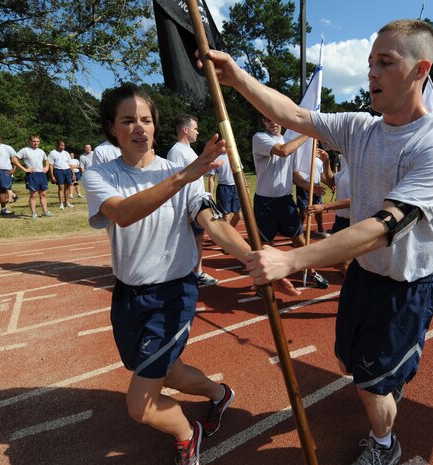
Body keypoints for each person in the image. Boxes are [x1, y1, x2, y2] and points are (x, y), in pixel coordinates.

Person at [204, 19, 433, 465]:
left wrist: (291, 260)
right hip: (364, 278)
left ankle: (385, 444)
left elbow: (385, 226)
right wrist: (236, 77)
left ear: (420, 69)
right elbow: (294, 115)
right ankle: (387, 377)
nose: (372, 73)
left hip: (406, 287)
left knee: (371, 383)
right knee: (348, 362)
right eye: (370, 63)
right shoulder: (360, 127)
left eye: (385, 62)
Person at [82, 85, 298, 465]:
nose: (140, 128)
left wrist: (253, 259)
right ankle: (219, 394)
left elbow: (213, 225)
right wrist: (184, 176)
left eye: (146, 119)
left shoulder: (181, 174)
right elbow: (125, 213)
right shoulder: (100, 174)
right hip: (129, 296)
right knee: (169, 373)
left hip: (172, 297)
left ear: (156, 125)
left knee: (140, 406)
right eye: (128, 120)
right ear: (111, 128)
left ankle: (187, 433)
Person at [251, 115, 330, 288]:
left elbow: (294, 174)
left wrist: (306, 185)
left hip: (285, 201)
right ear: (264, 122)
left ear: (281, 121)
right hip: (264, 202)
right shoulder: (260, 138)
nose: (273, 122)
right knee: (266, 245)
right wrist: (309, 133)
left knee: (300, 241)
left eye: (275, 119)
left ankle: (311, 272)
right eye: (268, 120)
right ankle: (265, 283)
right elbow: (283, 150)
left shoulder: (290, 142)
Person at [167, 115, 218, 287]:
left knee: (198, 239)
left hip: (196, 203)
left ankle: (197, 273)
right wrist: (183, 209)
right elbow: (176, 181)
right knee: (184, 242)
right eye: (195, 128)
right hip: (187, 206)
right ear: (185, 129)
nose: (198, 131)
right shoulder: (176, 151)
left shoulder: (189, 150)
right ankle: (183, 275)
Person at [306, 149, 353, 275]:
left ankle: (355, 290)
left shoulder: (365, 169)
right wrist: (326, 162)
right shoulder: (349, 166)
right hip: (341, 220)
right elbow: (332, 181)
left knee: (343, 262)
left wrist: (325, 206)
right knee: (340, 261)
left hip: (355, 221)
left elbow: (357, 199)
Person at [294, 147, 333, 238]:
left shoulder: (319, 160)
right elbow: (296, 174)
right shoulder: (302, 157)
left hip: (317, 186)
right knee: (303, 211)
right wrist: (305, 185)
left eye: (317, 144)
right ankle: (298, 233)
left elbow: (321, 175)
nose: (316, 146)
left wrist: (330, 184)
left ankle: (320, 230)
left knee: (319, 210)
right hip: (304, 186)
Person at [12, 135, 53, 219]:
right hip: (32, 174)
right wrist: (24, 169)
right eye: (34, 141)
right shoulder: (25, 150)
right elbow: (14, 159)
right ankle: (34, 213)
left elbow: (47, 160)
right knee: (33, 195)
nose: (36, 143)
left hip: (41, 174)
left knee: (43, 194)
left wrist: (47, 167)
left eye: (37, 141)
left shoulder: (41, 151)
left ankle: (45, 212)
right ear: (30, 141)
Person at [207, 153, 241, 228]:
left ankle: (229, 232)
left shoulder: (235, 154)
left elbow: (241, 172)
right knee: (226, 217)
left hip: (236, 187)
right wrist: (210, 193)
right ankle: (227, 236)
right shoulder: (215, 157)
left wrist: (246, 186)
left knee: (238, 215)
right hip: (223, 189)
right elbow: (211, 177)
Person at [48, 140, 75, 209]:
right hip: (58, 171)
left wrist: (73, 174)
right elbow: (50, 165)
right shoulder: (52, 153)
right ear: (57, 145)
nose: (63, 147)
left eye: (64, 145)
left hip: (67, 170)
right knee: (61, 187)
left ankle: (67, 202)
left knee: (67, 187)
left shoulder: (66, 153)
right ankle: (61, 204)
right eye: (61, 145)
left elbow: (70, 164)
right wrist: (52, 175)